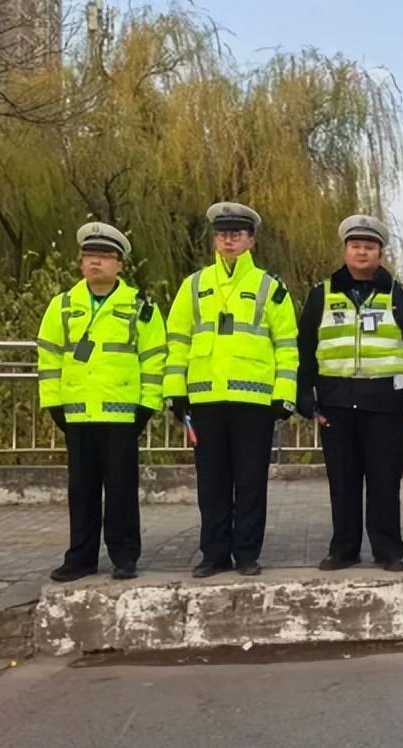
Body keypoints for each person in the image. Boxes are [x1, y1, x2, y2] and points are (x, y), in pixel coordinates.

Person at [163, 203, 299, 578]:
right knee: (211, 482)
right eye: (222, 234)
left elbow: (287, 345)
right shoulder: (194, 285)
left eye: (236, 235)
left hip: (254, 401)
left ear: (251, 241)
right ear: (214, 240)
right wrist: (175, 391)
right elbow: (177, 341)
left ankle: (247, 553)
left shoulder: (270, 288)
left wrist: (284, 394)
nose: (228, 241)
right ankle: (214, 554)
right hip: (205, 399)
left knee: (251, 481)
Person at [298, 214, 403, 573]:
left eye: (369, 247)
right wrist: (303, 392)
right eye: (355, 246)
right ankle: (344, 549)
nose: (362, 252)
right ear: (345, 251)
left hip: (384, 404)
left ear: (380, 253)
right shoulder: (322, 294)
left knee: (384, 481)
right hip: (336, 403)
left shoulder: (400, 296)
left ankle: (388, 550)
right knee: (343, 481)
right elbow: (304, 346)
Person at [37, 222, 166, 582]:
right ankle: (81, 558)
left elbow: (154, 359)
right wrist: (54, 405)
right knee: (81, 491)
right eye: (89, 256)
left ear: (119, 264)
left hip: (122, 414)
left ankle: (124, 556)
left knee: (121, 490)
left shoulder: (140, 308)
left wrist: (147, 406)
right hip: (77, 413)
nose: (96, 262)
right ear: (81, 262)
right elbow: (48, 357)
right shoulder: (63, 306)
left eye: (105, 256)